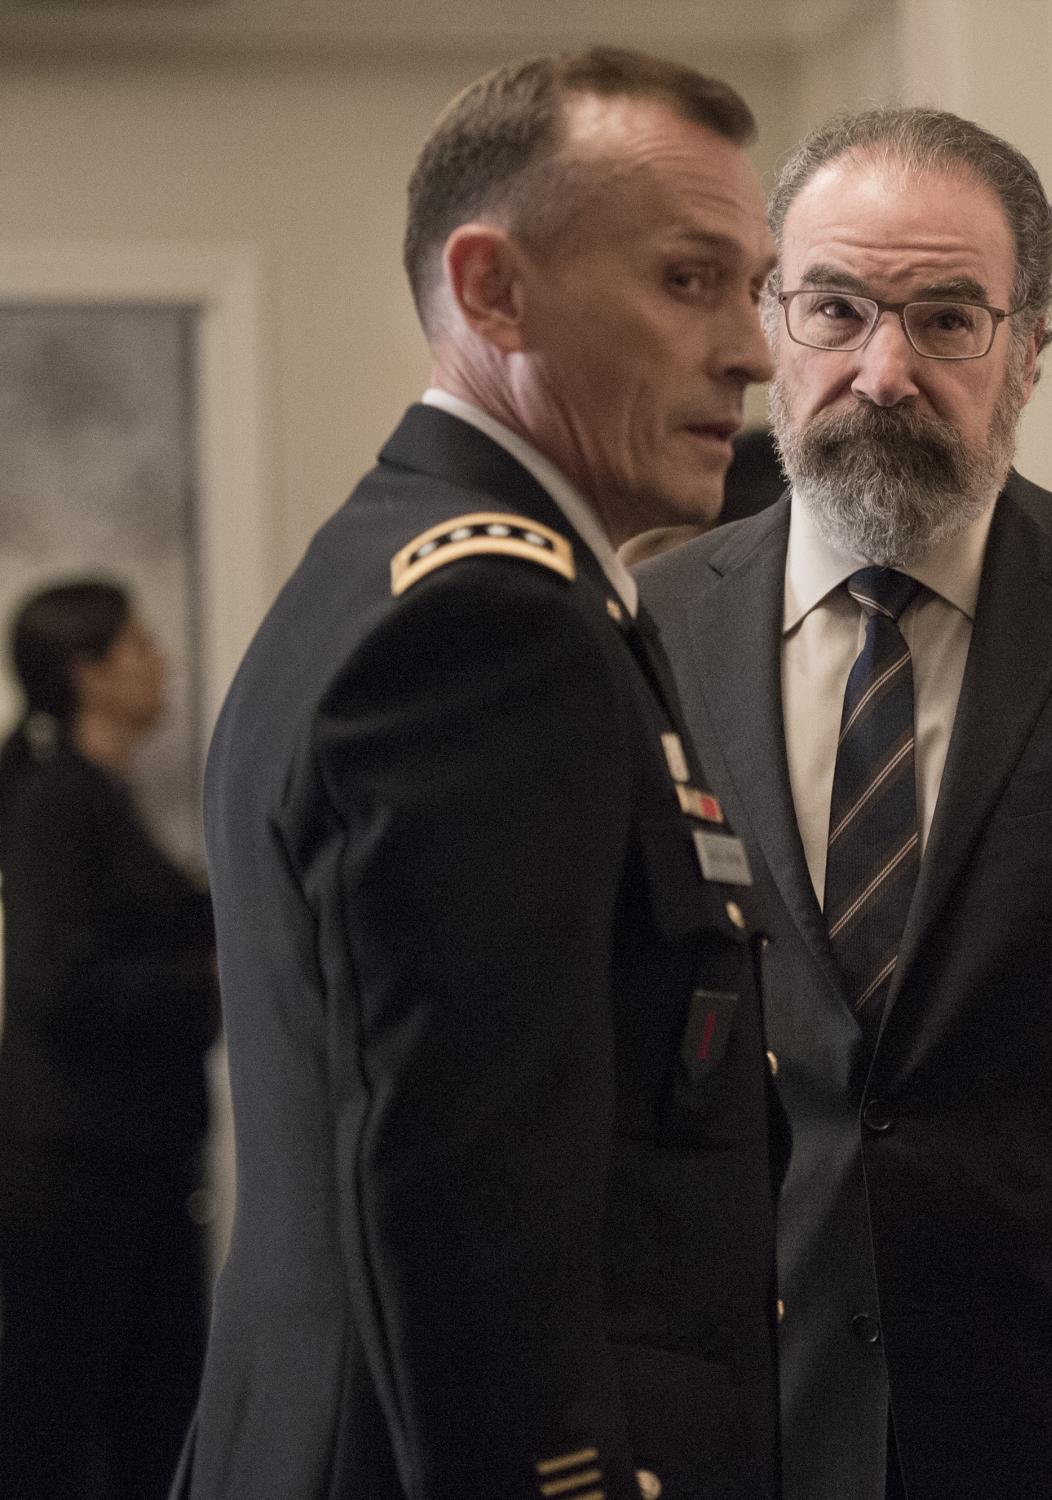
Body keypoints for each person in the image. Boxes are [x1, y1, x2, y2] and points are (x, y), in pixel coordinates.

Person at [636, 107, 1052, 1500]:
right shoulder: (645, 632)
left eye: (947, 319)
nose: (883, 373)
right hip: (755, 1432)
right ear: (769, 323)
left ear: (1029, 351)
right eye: (835, 309)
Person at [176, 49, 784, 1500]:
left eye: (754, 289)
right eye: (689, 282)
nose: (752, 351)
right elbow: (466, 1198)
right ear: (493, 290)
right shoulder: (491, 625)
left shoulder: (416, 564)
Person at [0, 579, 218, 1500]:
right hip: (80, 1178)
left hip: (124, 1165)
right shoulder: (58, 803)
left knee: (144, 1423)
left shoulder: (98, 797)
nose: (159, 660)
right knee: (62, 1432)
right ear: (88, 673)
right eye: (137, 645)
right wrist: (212, 976)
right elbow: (55, 983)